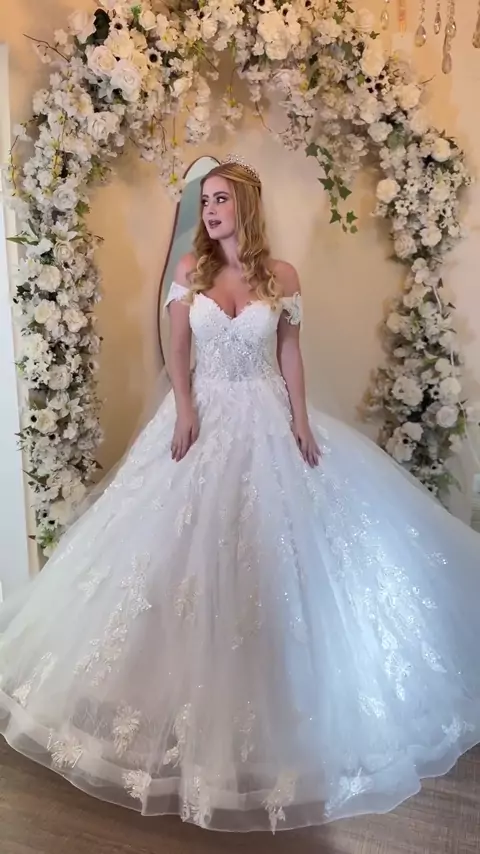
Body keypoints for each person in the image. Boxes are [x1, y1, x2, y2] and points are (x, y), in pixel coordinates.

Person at [1, 155, 480, 834]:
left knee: (278, 551)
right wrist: (185, 410)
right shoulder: (190, 271)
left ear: (246, 206)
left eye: (221, 199)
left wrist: (300, 418)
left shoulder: (281, 276)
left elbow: (289, 352)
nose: (211, 211)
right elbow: (177, 350)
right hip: (201, 415)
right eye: (206, 200)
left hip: (265, 413)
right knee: (170, 555)